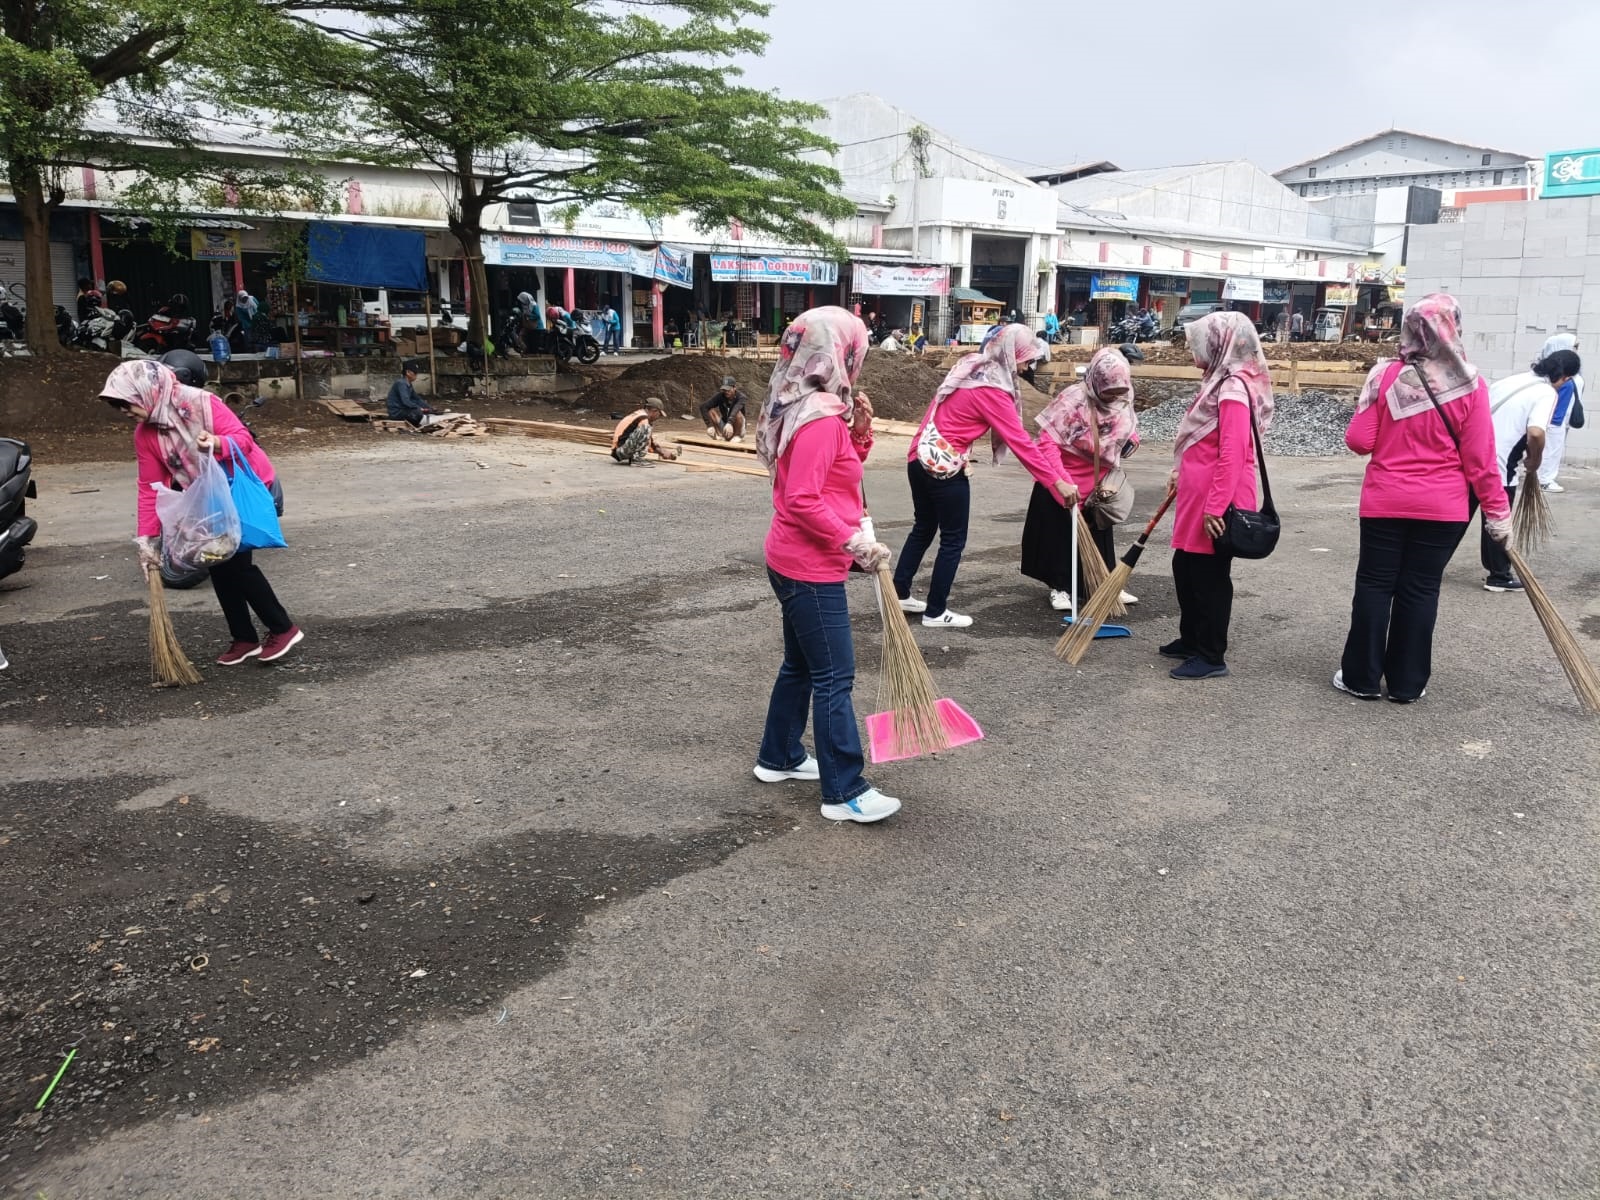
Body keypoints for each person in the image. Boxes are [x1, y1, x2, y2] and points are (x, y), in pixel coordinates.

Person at [753, 306, 899, 824]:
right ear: (842, 352)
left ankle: (781, 756)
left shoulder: (812, 406)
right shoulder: (817, 415)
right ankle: (844, 791)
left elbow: (835, 474)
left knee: (802, 664)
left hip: (795, 557)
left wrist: (859, 432)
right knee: (835, 675)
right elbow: (801, 499)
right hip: (808, 566)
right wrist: (852, 541)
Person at [1335, 294, 1510, 703]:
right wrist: (1498, 513)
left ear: (1410, 329)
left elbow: (1359, 441)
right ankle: (1408, 684)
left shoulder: (1386, 375)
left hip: (1384, 501)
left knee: (1375, 585)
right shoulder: (1471, 383)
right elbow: (1481, 460)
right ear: (1454, 328)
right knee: (1420, 589)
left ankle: (1361, 678)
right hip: (1443, 508)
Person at [101, 359, 302, 667]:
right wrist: (148, 539)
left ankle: (283, 629)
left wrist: (218, 442)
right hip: (206, 496)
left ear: (145, 392)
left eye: (127, 404)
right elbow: (150, 487)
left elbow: (244, 439)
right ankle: (244, 638)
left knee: (235, 561)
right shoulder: (145, 434)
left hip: (241, 487)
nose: (126, 412)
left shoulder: (201, 403)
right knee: (216, 562)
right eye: (119, 407)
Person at [892, 323, 1079, 628]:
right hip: (944, 468)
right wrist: (1056, 482)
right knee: (953, 540)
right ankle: (936, 611)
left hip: (920, 456)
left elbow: (937, 408)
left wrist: (920, 452)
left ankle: (899, 592)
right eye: (1025, 358)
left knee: (924, 527)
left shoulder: (969, 366)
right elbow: (1021, 444)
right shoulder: (993, 389)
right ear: (1011, 354)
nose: (1027, 365)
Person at [1161, 310, 1274, 681]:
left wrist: (1216, 507)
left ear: (1221, 343)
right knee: (1186, 567)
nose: (1196, 351)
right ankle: (1191, 638)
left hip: (1216, 497)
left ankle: (1211, 654)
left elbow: (1233, 450)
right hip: (1200, 494)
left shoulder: (1233, 388)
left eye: (1201, 344)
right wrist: (1180, 472)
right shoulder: (1219, 381)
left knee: (1209, 576)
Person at [1022, 348, 1140, 611]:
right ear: (1095, 381)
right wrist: (1061, 482)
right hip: (1064, 478)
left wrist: (1131, 442)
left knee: (1099, 536)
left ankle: (1105, 585)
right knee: (1060, 537)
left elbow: (1130, 427)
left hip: (1099, 482)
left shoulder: (1122, 398)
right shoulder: (1072, 400)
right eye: (1108, 391)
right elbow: (1047, 443)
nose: (1113, 396)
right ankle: (1060, 587)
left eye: (1118, 391)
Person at [1479, 349, 1580, 591]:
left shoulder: (1510, 381)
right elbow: (1536, 432)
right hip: (1499, 468)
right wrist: (1535, 461)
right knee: (1498, 519)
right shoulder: (1546, 393)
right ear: (1565, 377)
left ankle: (1423, 568)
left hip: (1472, 459)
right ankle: (1499, 576)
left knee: (1457, 518)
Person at [1535, 333, 1582, 492]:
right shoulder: (1555, 375)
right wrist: (1555, 421)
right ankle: (1544, 479)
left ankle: (1545, 477)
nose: (1576, 350)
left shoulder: (1570, 372)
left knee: (1553, 450)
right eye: (1574, 346)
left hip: (1561, 420)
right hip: (1554, 420)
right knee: (1550, 449)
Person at [610, 398, 680, 465]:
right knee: (646, 428)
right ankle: (637, 460)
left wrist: (662, 451)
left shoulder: (640, 415)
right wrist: (661, 451)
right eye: (659, 414)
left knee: (646, 428)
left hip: (620, 449)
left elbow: (647, 441)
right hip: (621, 450)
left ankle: (636, 458)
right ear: (654, 410)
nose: (659, 417)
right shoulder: (643, 419)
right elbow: (645, 438)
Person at [386, 360, 438, 426]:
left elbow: (417, 399)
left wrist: (430, 408)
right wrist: (419, 408)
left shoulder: (408, 384)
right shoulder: (401, 383)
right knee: (417, 413)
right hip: (397, 412)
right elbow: (406, 401)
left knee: (426, 412)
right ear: (408, 372)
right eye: (415, 373)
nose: (416, 375)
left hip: (404, 410)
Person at [701, 377, 748, 442]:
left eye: (729, 390)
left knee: (737, 412)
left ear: (734, 388)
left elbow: (736, 409)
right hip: (725, 426)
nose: (726, 392)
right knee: (710, 411)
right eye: (725, 390)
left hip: (738, 428)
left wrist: (730, 423)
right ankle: (719, 436)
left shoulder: (741, 397)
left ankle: (737, 436)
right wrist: (709, 425)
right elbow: (703, 406)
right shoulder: (720, 396)